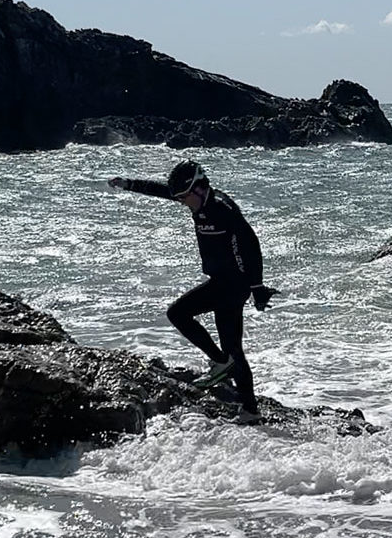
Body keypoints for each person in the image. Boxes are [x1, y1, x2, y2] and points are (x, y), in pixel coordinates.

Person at [108, 160, 278, 424]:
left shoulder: (223, 208)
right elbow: (164, 191)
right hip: (225, 282)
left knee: (178, 313)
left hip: (232, 284)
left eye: (185, 198)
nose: (183, 203)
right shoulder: (195, 198)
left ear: (199, 189)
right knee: (234, 348)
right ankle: (250, 411)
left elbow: (251, 244)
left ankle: (221, 363)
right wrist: (130, 185)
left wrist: (257, 287)